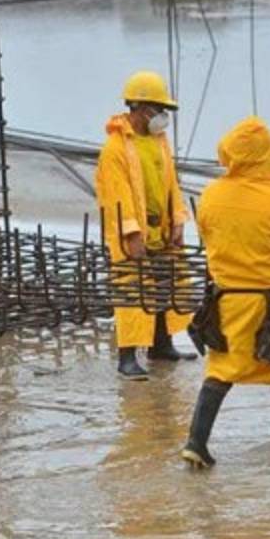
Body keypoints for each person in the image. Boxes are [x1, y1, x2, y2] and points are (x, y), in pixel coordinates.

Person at [181, 116, 270, 469]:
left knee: (222, 367)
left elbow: (208, 238)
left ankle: (196, 443)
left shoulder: (211, 195)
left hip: (227, 299)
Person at [95, 71, 197, 381]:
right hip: (134, 231)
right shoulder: (116, 148)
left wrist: (178, 219)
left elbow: (170, 183)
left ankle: (161, 345)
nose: (163, 116)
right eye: (158, 109)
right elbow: (117, 195)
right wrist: (132, 233)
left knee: (165, 284)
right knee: (133, 291)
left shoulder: (159, 141)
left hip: (161, 227)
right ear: (139, 108)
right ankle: (127, 356)